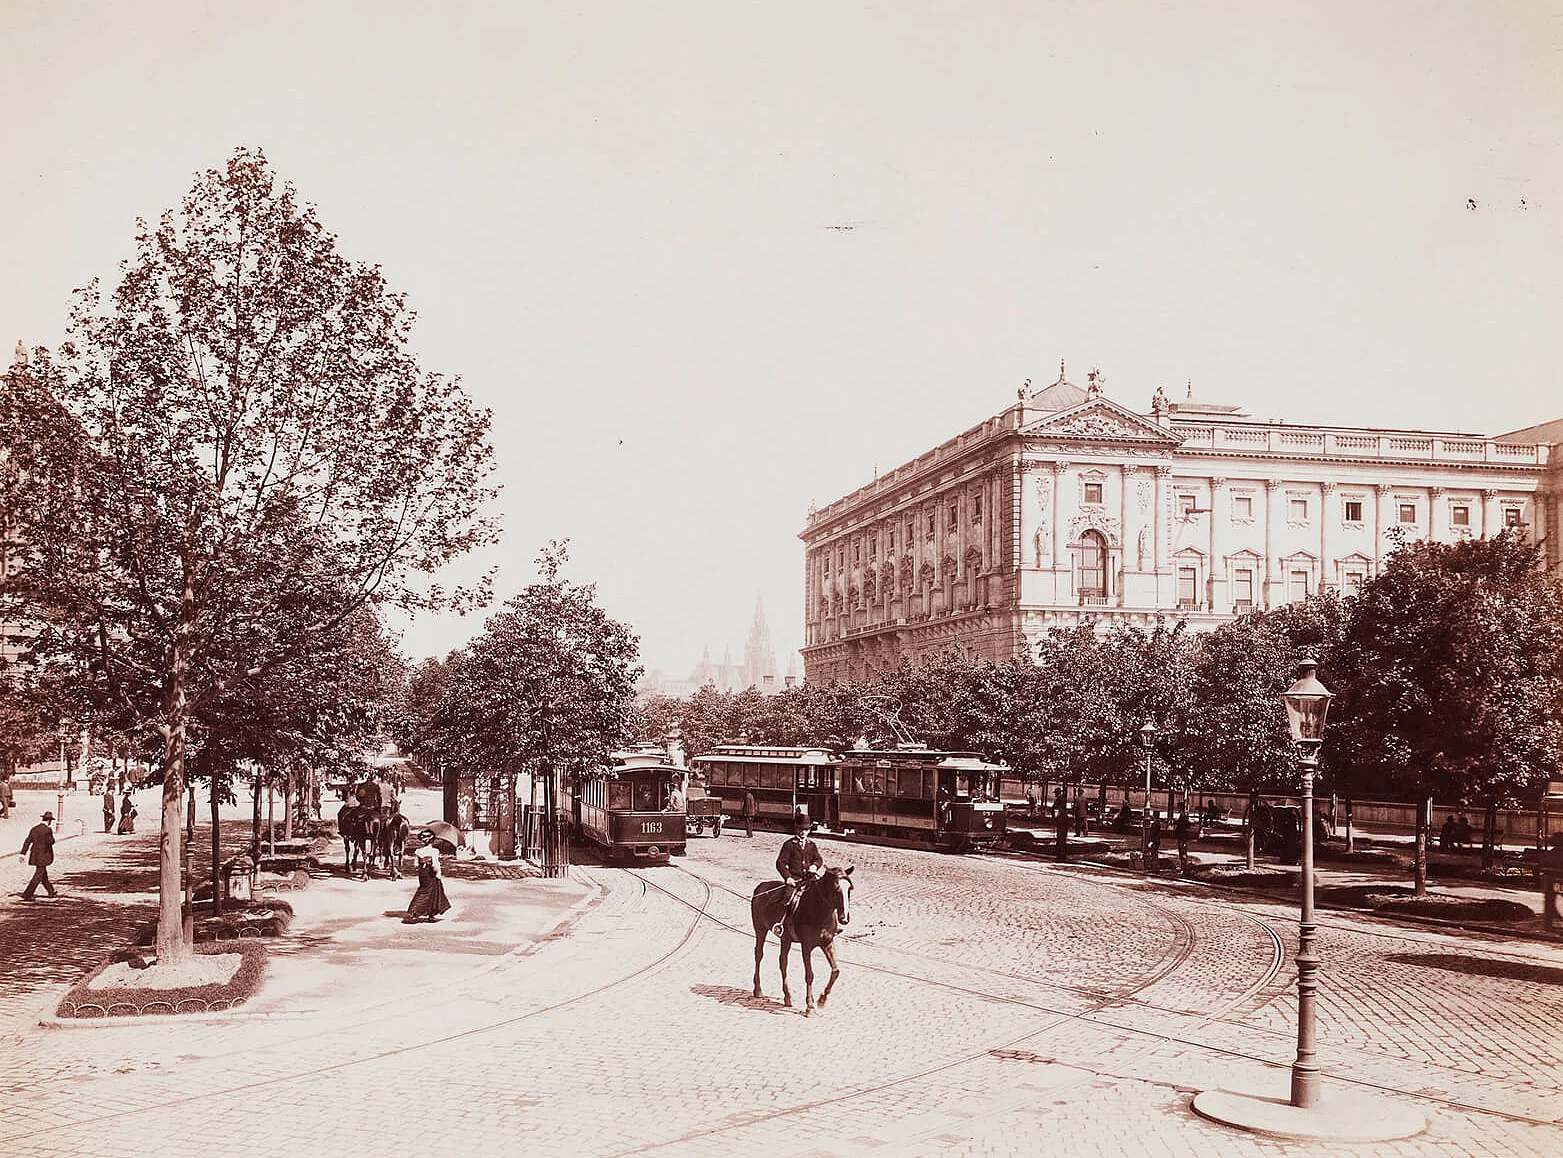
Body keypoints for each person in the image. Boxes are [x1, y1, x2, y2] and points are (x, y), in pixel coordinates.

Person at [774, 808, 823, 936]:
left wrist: (815, 866)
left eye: (806, 830)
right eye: (801, 829)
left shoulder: (811, 845)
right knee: (788, 898)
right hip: (795, 880)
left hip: (810, 879)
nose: (803, 832)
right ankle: (781, 923)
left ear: (809, 830)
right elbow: (780, 863)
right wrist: (788, 877)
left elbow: (818, 859)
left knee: (823, 896)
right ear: (796, 829)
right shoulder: (789, 844)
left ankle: (825, 924)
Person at [404, 830, 451, 923]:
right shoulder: (434, 851)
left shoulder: (418, 851)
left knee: (424, 890)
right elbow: (435, 865)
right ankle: (415, 911)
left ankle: (429, 914)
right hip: (431, 873)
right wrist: (437, 873)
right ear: (432, 840)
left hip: (422, 873)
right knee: (433, 891)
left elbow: (416, 865)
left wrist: (423, 863)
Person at [19, 812, 58, 900]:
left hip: (35, 855)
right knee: (38, 876)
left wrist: (22, 854)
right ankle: (27, 894)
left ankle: (51, 891)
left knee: (43, 875)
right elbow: (51, 841)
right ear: (49, 820)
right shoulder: (47, 830)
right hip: (44, 856)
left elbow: (27, 841)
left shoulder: (34, 829)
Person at [1174, 810, 1193, 875]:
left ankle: (1184, 868)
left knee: (1183, 852)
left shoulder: (1183, 817)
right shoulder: (1183, 816)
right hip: (1181, 837)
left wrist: (1176, 823)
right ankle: (1183, 867)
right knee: (1182, 853)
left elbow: (1187, 825)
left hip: (1182, 837)